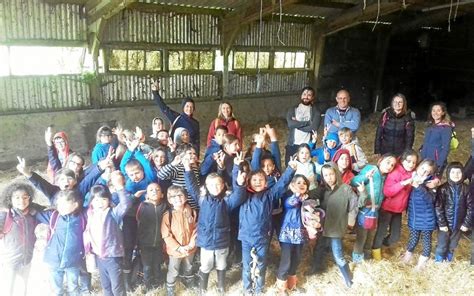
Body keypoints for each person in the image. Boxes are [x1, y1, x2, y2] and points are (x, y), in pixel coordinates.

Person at [184, 153, 247, 296]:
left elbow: (239, 196)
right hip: (205, 241)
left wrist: (239, 179)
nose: (215, 187)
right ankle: (202, 287)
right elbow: (191, 186)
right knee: (205, 265)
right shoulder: (201, 199)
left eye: (219, 184)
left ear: (223, 185)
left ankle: (221, 286)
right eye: (212, 184)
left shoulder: (227, 201)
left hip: (222, 240)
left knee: (222, 264)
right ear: (206, 186)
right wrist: (187, 169)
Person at [239, 158, 297, 296]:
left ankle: (259, 289)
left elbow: (281, 185)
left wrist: (291, 169)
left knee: (261, 264)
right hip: (246, 237)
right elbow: (237, 188)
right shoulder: (243, 196)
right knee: (247, 265)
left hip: (262, 237)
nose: (258, 182)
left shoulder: (270, 195)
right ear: (249, 182)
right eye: (254, 180)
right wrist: (238, 169)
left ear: (266, 182)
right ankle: (247, 288)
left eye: (261, 179)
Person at [308, 163, 365, 287]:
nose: (329, 177)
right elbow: (308, 194)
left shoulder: (345, 189)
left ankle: (348, 278)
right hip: (323, 227)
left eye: (331, 174)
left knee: (338, 254)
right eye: (326, 175)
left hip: (336, 228)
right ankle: (316, 269)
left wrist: (362, 193)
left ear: (336, 174)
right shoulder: (322, 190)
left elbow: (356, 204)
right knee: (319, 248)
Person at [83, 172, 132, 296]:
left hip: (113, 256)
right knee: (106, 286)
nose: (100, 203)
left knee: (117, 287)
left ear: (109, 201)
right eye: (96, 200)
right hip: (99, 256)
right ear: (91, 202)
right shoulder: (90, 214)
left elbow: (126, 204)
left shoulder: (113, 213)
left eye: (104, 199)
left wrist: (120, 187)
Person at [276, 175, 319, 295]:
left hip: (300, 235)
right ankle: (281, 288)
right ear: (292, 186)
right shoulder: (289, 198)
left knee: (296, 260)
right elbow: (290, 204)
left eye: (304, 183)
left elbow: (313, 214)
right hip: (288, 235)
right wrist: (297, 195)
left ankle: (292, 284)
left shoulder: (308, 201)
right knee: (286, 261)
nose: (301, 185)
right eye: (298, 182)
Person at [351, 154, 397, 262]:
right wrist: (365, 176)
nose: (390, 166)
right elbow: (353, 181)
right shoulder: (370, 169)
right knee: (362, 236)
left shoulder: (386, 177)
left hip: (375, 210)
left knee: (370, 235)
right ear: (380, 160)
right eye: (388, 162)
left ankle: (367, 256)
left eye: (392, 165)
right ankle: (357, 258)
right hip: (364, 209)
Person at [372, 149, 418, 255]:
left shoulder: (413, 174)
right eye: (409, 161)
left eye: (414, 162)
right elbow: (388, 192)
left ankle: (385, 243)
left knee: (395, 236)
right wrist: (403, 183)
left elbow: (426, 171)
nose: (411, 164)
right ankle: (375, 251)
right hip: (387, 208)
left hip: (398, 210)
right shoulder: (395, 172)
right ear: (402, 160)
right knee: (381, 231)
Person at [0, 182, 42, 296]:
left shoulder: (33, 213)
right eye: (17, 198)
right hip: (10, 261)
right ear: (10, 199)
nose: (21, 201)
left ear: (30, 198)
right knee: (9, 288)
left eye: (25, 197)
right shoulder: (5, 215)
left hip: (27, 259)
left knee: (25, 287)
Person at [161, 185, 198, 296]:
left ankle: (189, 284)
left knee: (189, 267)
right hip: (175, 251)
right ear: (169, 200)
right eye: (173, 196)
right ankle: (170, 290)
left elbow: (196, 228)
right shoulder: (168, 215)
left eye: (180, 195)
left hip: (190, 248)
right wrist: (178, 248)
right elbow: (166, 235)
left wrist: (192, 243)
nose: (177, 199)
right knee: (174, 270)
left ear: (186, 197)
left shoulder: (192, 211)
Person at [402, 159, 437, 269]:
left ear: (430, 174)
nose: (423, 172)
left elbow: (430, 199)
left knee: (426, 241)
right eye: (422, 168)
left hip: (427, 219)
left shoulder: (430, 184)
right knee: (413, 238)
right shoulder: (412, 178)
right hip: (414, 217)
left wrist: (419, 187)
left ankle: (422, 263)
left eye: (427, 172)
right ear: (417, 167)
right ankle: (407, 257)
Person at [434, 162, 472, 262]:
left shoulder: (466, 189)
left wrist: (466, 223)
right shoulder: (443, 189)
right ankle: (438, 261)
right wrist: (442, 223)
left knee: (453, 245)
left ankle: (448, 260)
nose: (456, 175)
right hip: (445, 225)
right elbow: (438, 207)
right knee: (442, 244)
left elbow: (471, 208)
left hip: (459, 225)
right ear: (448, 174)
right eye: (453, 172)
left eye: (458, 172)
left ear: (463, 174)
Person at [152, 80, 200, 154]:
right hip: (175, 150)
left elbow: (197, 141)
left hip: (188, 152)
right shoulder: (176, 117)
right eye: (187, 106)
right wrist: (155, 92)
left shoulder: (196, 123)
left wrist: (196, 154)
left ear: (194, 108)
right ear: (183, 107)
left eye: (191, 107)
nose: (189, 109)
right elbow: (164, 108)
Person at [136, 183, 168, 292]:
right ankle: (148, 286)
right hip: (145, 243)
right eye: (151, 190)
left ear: (162, 194)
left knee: (157, 264)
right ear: (147, 195)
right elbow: (137, 222)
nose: (154, 191)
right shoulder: (142, 206)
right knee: (147, 266)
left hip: (159, 242)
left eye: (157, 189)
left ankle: (159, 284)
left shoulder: (165, 206)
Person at [285, 86, 322, 165]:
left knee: (305, 168)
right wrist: (307, 123)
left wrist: (297, 124)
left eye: (309, 95)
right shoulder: (292, 109)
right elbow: (290, 124)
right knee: (290, 167)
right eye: (304, 94)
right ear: (301, 96)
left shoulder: (316, 112)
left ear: (312, 98)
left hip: (307, 145)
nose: (306, 96)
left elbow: (313, 127)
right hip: (292, 144)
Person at [420, 102, 454, 176]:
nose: (435, 113)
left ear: (443, 112)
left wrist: (438, 165)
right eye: (433, 110)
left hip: (436, 161)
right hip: (425, 159)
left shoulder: (446, 128)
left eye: (438, 110)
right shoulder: (430, 125)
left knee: (432, 184)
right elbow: (426, 143)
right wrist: (422, 156)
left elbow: (446, 148)